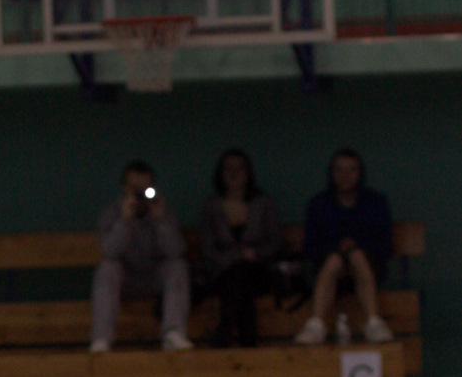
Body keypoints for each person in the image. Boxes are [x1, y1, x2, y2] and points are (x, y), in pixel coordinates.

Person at [91, 160, 193, 352]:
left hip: (155, 278)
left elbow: (176, 251)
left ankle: (173, 334)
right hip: (125, 280)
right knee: (107, 269)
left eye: (145, 189)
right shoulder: (112, 213)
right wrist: (125, 221)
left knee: (178, 266)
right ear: (124, 188)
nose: (140, 195)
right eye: (134, 189)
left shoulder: (162, 211)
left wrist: (161, 222)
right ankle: (102, 339)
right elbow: (109, 252)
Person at [295, 148, 394, 344]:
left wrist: (357, 247)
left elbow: (386, 247)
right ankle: (316, 324)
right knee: (334, 260)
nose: (345, 176)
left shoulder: (375, 202)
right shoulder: (318, 204)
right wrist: (337, 247)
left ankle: (374, 322)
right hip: (329, 270)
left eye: (351, 170)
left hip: (369, 268)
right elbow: (310, 249)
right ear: (331, 173)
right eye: (339, 170)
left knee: (357, 257)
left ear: (360, 173)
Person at [199, 148, 282, 347]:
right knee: (237, 277)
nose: (234, 173)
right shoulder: (212, 206)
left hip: (258, 270)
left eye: (239, 168)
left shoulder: (263, 203)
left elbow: (275, 244)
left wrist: (254, 254)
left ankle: (224, 334)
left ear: (248, 173)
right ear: (220, 173)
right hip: (223, 272)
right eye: (229, 168)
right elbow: (207, 249)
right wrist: (231, 258)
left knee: (241, 276)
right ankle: (247, 340)